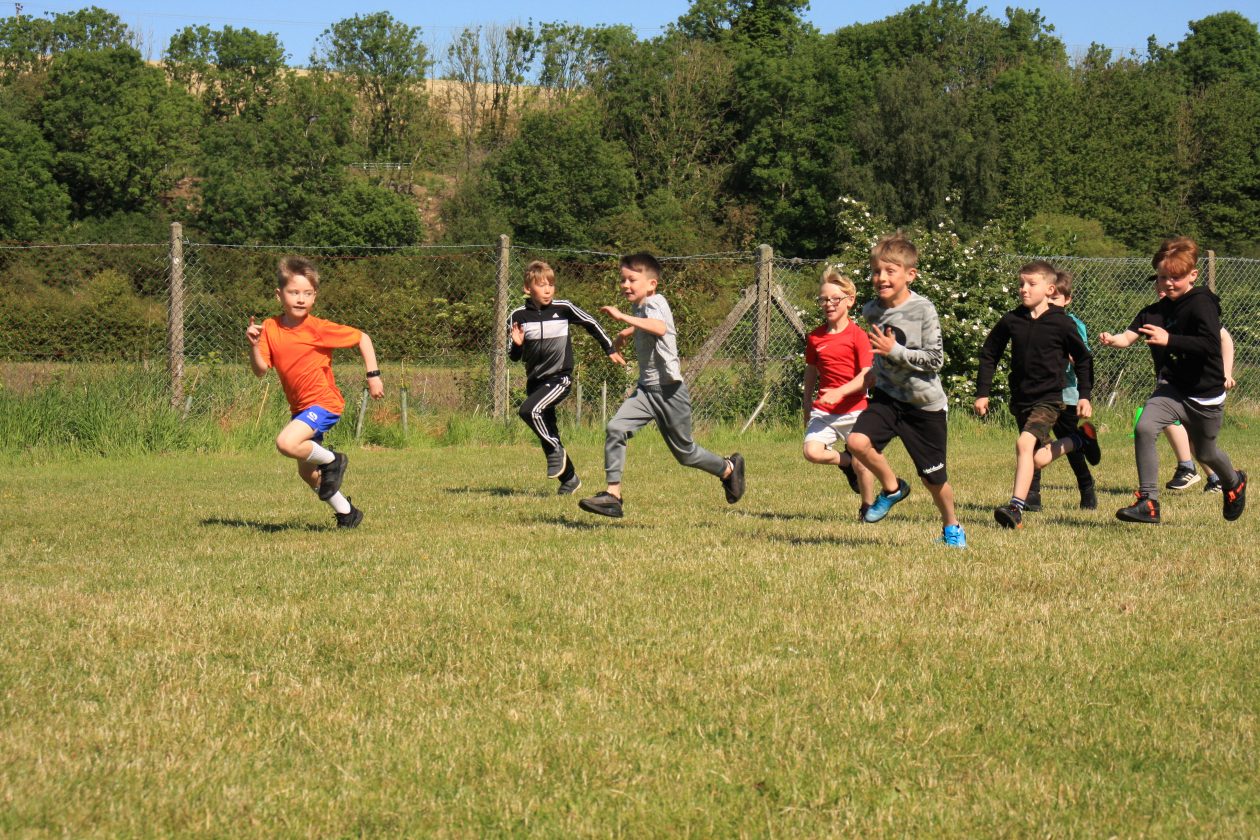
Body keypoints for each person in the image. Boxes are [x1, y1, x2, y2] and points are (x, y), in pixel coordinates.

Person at [578, 252, 745, 518]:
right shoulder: (641, 306)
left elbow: (658, 327)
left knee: (686, 454)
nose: (624, 285)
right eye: (622, 279)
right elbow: (648, 324)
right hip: (646, 390)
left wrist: (623, 320)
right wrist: (626, 333)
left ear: (651, 284)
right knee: (615, 428)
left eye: (631, 279)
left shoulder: (657, 301)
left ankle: (728, 468)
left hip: (670, 392)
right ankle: (613, 495)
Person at [1099, 236, 1246, 524]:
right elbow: (1129, 337)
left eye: (1175, 277)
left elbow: (1210, 344)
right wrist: (1113, 339)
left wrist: (1170, 340)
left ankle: (1235, 482)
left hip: (1205, 394)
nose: (1168, 283)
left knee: (1206, 452)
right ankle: (1148, 501)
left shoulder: (1201, 302)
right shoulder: (1153, 312)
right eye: (1163, 277)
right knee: (1144, 427)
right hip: (1172, 389)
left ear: (1193, 275)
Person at [845, 233, 966, 548]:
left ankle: (952, 528)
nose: (881, 278)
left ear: (910, 274)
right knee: (857, 442)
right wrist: (874, 371)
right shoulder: (871, 310)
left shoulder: (923, 309)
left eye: (890, 271)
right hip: (887, 399)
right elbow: (874, 348)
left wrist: (895, 352)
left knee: (933, 478)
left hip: (924, 406)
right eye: (876, 271)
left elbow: (935, 360)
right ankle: (893, 488)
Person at [245, 256, 384, 528]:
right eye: (294, 292)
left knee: (286, 443)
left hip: (325, 403)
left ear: (314, 297)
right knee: (307, 472)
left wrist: (373, 375)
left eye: (307, 294)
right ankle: (348, 514)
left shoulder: (318, 328)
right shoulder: (270, 327)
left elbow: (362, 338)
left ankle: (334, 460)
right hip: (301, 409)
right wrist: (254, 344)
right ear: (279, 294)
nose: (300, 299)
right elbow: (261, 370)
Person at [974, 261, 1100, 529]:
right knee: (1038, 458)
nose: (1023, 289)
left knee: (1024, 443)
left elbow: (1083, 359)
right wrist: (982, 392)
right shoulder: (1012, 320)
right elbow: (989, 353)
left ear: (1049, 288)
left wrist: (1084, 395)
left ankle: (1015, 508)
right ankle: (1078, 439)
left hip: (1049, 400)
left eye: (1031, 284)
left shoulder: (1062, 324)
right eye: (1021, 284)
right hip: (1021, 399)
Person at [509, 260, 626, 495]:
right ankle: (569, 479)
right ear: (527, 288)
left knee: (529, 411)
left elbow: (591, 323)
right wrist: (518, 345)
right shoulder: (518, 315)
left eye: (551, 285)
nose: (548, 290)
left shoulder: (563, 308)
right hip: (535, 382)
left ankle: (556, 451)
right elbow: (513, 356)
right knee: (547, 429)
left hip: (560, 377)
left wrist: (610, 348)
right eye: (541, 285)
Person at [802, 267, 876, 519]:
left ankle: (867, 508)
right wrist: (806, 403)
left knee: (863, 463)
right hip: (824, 410)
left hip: (855, 409)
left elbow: (867, 376)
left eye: (834, 299)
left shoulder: (859, 336)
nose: (828, 304)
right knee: (811, 452)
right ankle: (846, 462)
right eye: (823, 299)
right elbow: (811, 372)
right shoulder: (815, 337)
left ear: (850, 301)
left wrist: (841, 392)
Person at [1024, 270, 1099, 511]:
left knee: (1069, 446)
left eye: (1056, 300)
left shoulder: (1072, 325)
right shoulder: (1032, 322)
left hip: (1066, 394)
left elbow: (1083, 357)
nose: (1050, 305)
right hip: (1039, 395)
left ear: (1067, 300)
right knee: (1033, 443)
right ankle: (1032, 495)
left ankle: (1086, 487)